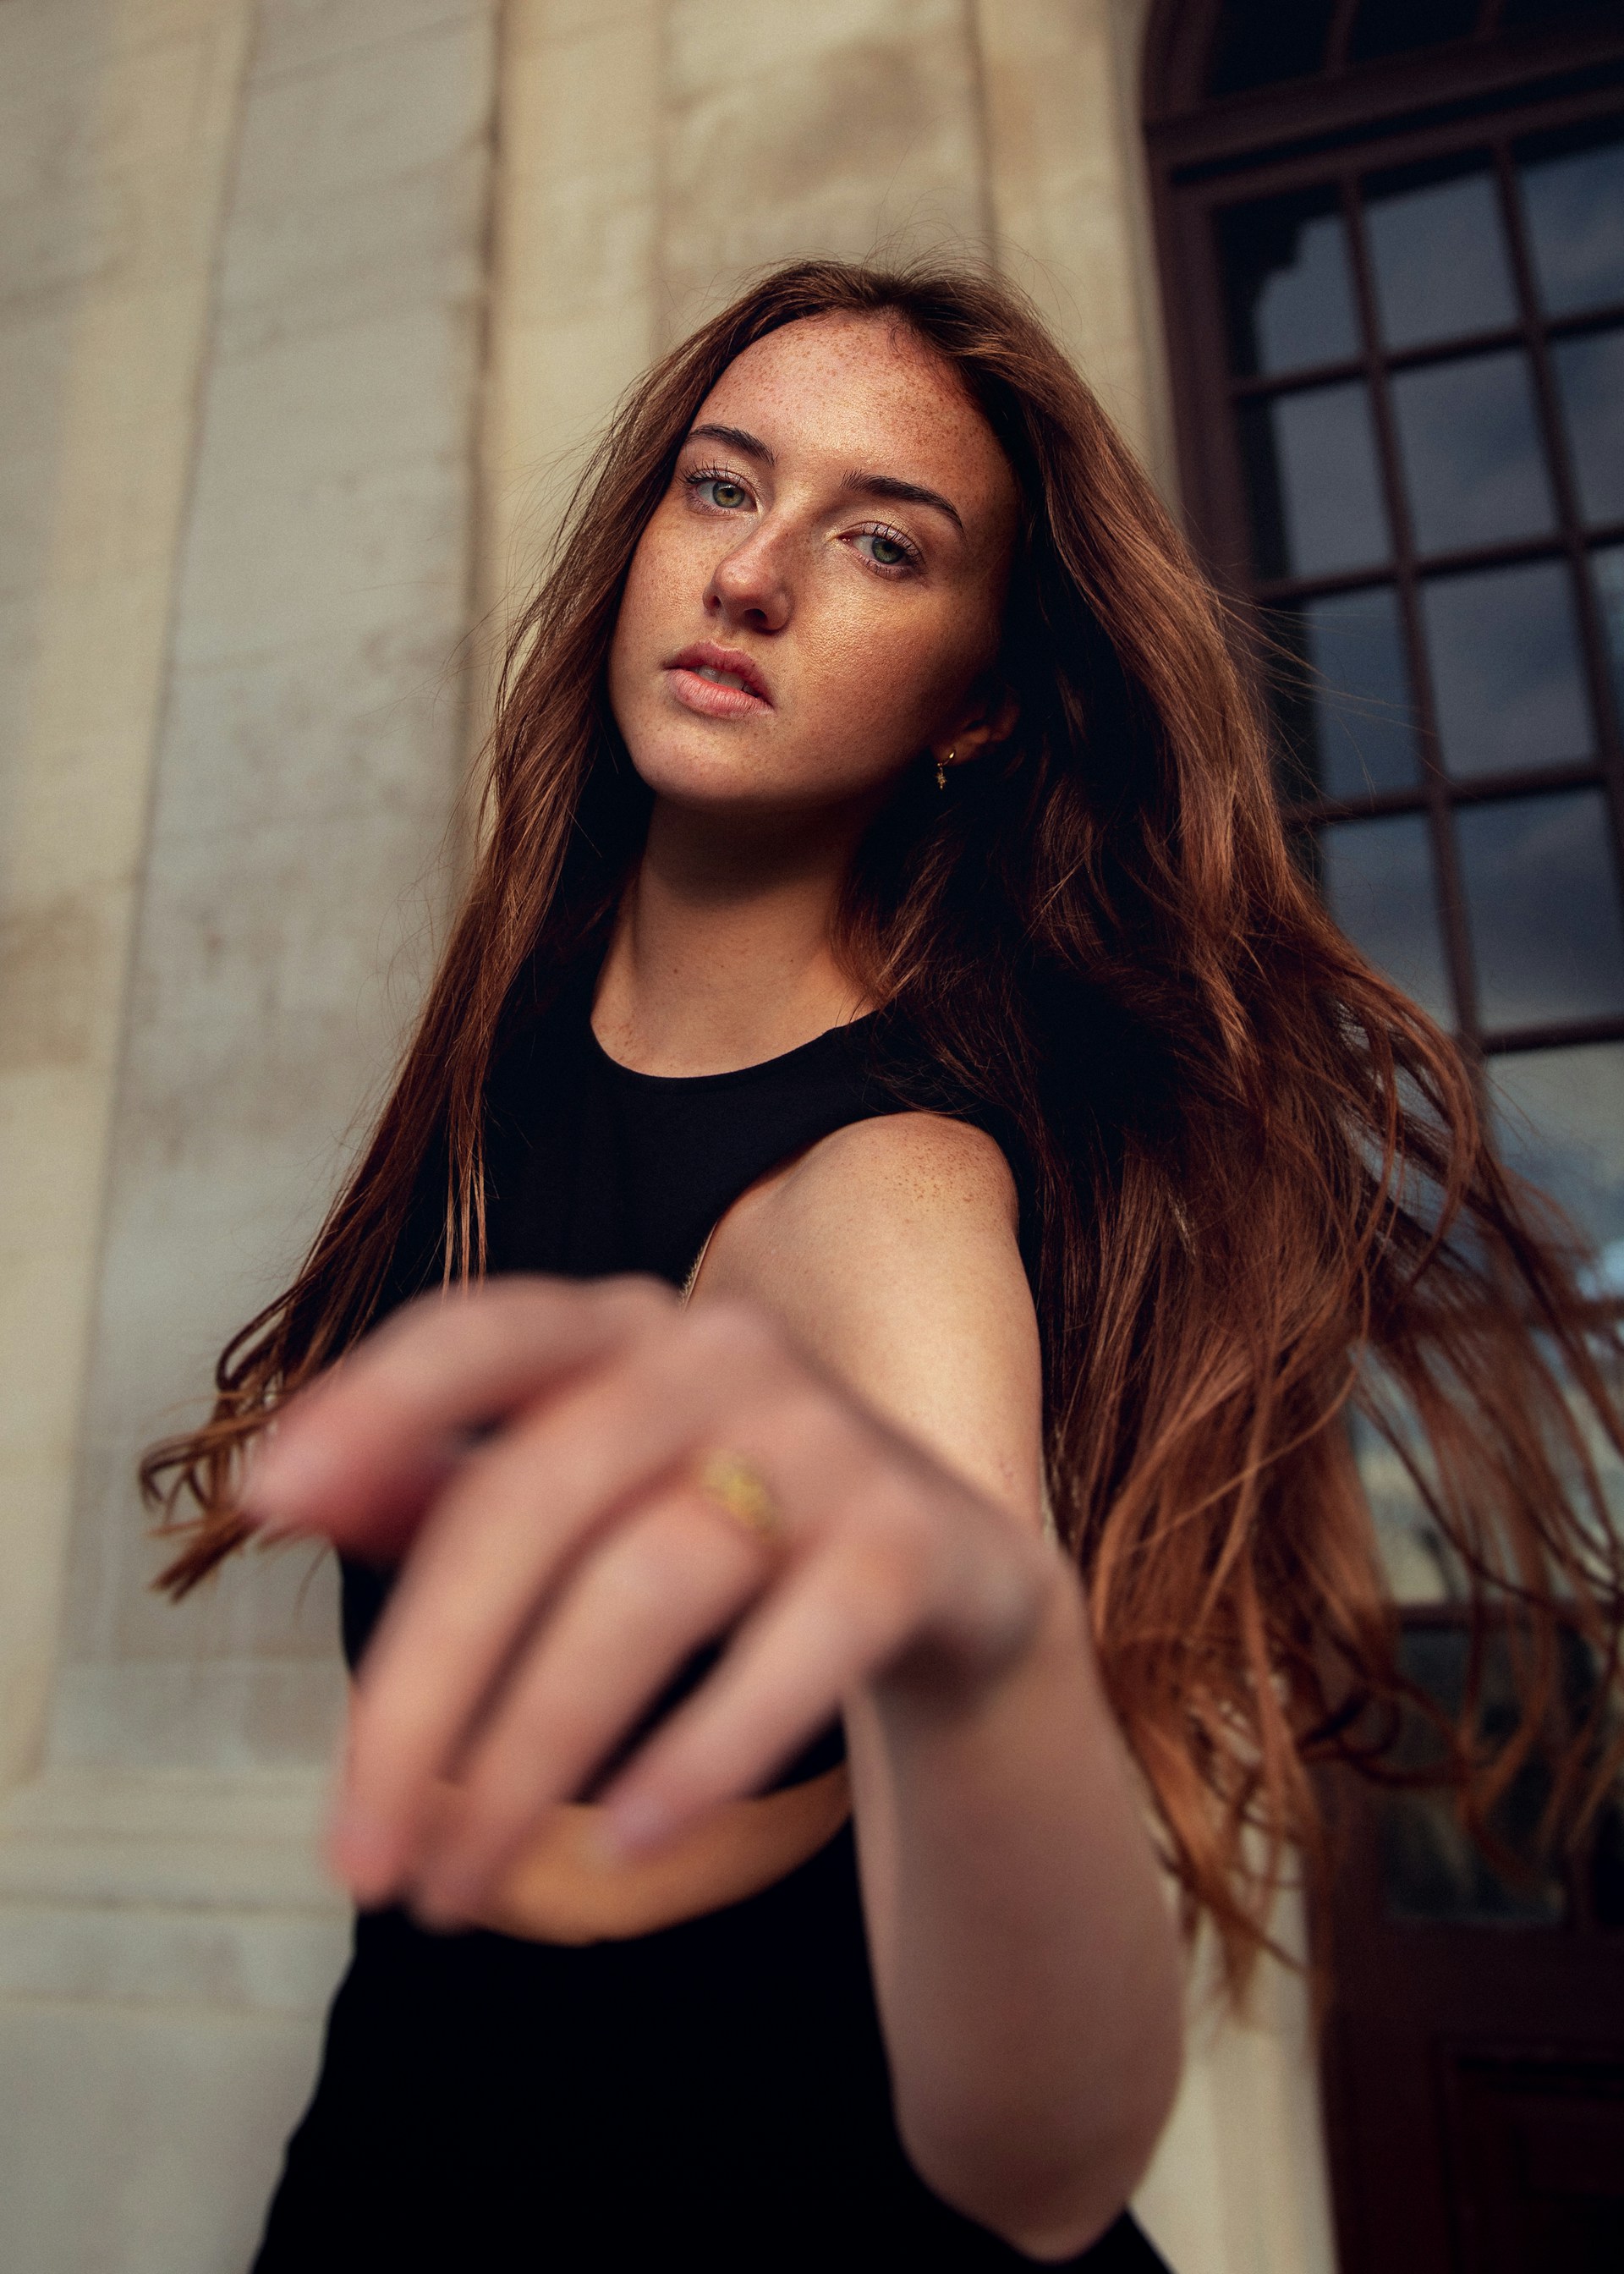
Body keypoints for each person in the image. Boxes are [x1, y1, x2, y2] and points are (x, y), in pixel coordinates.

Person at [145, 260, 1623, 2270]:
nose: (752, 578)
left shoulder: (885, 1196)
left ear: (979, 704)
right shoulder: (521, 1036)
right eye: (721, 486)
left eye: (882, 544)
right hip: (405, 2149)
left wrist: (985, 1655)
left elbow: (1043, 2162)